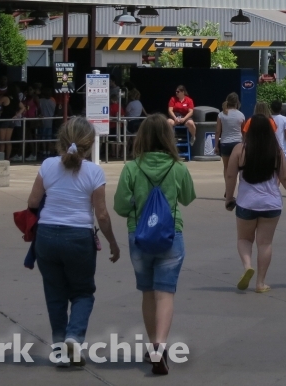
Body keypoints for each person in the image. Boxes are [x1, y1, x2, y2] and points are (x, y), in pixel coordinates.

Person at [26, 118, 121, 367]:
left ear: (61, 141)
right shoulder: (94, 172)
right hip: (78, 238)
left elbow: (33, 202)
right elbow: (101, 214)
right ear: (88, 146)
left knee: (55, 295)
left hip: (46, 237)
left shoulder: (47, 166)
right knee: (82, 292)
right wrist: (112, 241)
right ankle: (74, 338)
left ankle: (59, 350)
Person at [113, 115, 197, 376]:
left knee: (148, 293)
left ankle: (152, 346)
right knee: (165, 293)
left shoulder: (131, 168)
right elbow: (188, 198)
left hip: (138, 236)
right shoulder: (178, 167)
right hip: (171, 235)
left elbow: (120, 206)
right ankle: (161, 346)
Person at [223, 113, 286, 293]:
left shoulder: (239, 150)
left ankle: (247, 266)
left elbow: (230, 175)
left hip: (246, 203)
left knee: (244, 239)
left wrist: (229, 197)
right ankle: (260, 283)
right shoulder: (276, 151)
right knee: (265, 243)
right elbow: (285, 177)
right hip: (271, 204)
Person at [216, 93, 246, 173]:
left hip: (225, 143)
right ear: (237, 102)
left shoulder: (221, 115)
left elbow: (218, 131)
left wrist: (216, 146)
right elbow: (243, 131)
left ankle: (228, 185)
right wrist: (245, 143)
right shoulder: (241, 115)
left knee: (226, 167)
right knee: (238, 167)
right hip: (238, 143)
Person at [38, 89, 57, 161]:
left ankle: (44, 152)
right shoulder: (53, 101)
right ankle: (48, 152)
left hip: (43, 122)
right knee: (48, 138)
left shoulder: (40, 101)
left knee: (43, 138)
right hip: (50, 122)